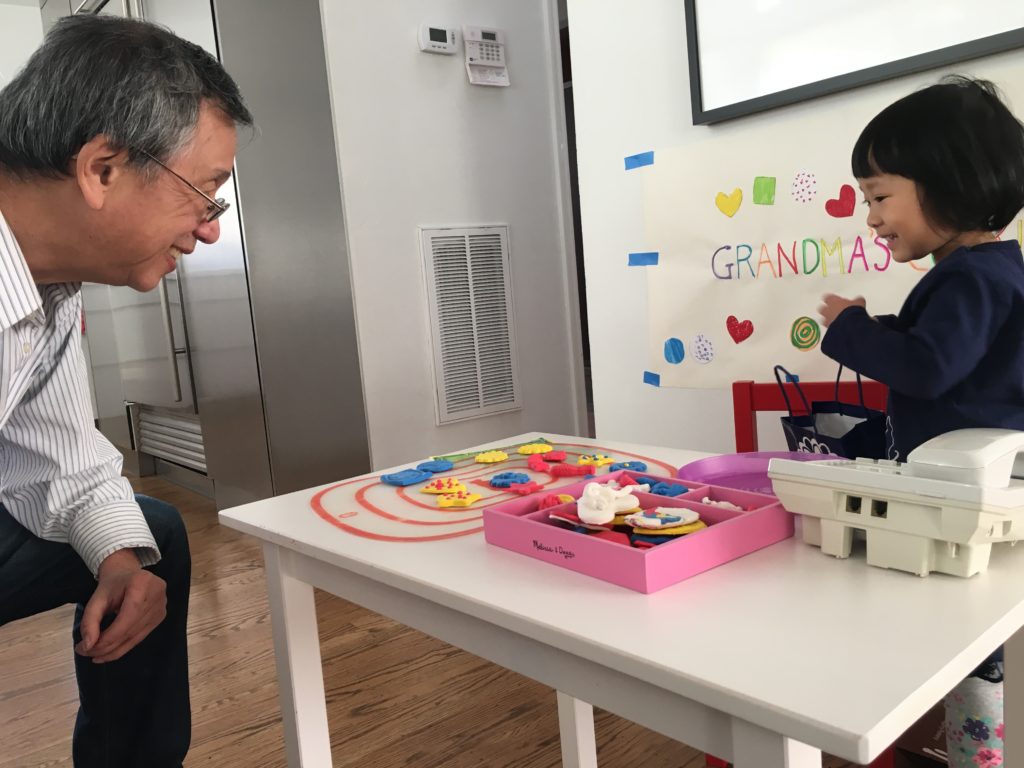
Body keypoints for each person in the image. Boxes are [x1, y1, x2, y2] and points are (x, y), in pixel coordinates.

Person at [0, 15, 252, 768]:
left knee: (148, 540)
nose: (208, 230)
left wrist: (119, 560)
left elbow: (64, 457)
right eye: (204, 193)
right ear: (102, 168)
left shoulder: (50, 288)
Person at [818, 76, 1024, 768]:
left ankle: (971, 753)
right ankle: (960, 744)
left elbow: (928, 368)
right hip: (959, 490)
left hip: (960, 498)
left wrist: (849, 327)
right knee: (960, 635)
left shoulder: (973, 278)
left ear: (951, 181)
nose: (871, 218)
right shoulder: (988, 274)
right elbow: (948, 366)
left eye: (879, 197)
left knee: (959, 637)